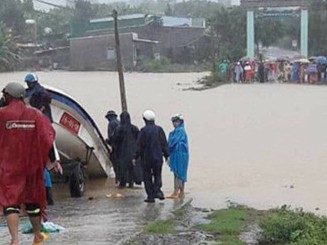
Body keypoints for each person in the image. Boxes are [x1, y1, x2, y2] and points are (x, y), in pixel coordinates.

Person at [0, 82, 55, 245]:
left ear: (7, 96)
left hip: (8, 165)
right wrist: (48, 159)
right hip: (32, 166)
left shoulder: (2, 114)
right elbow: (48, 137)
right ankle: (37, 235)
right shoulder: (36, 115)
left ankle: (15, 240)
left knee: (10, 202)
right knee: (33, 200)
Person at [24, 72, 61, 206]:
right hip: (41, 123)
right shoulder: (35, 91)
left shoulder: (39, 92)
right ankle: (48, 200)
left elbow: (46, 100)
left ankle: (46, 200)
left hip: (41, 121)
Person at [133, 110, 169, 203]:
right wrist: (167, 156)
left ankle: (150, 196)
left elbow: (139, 146)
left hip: (146, 158)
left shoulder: (143, 131)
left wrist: (135, 157)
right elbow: (164, 144)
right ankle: (157, 190)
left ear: (144, 120)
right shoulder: (159, 129)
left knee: (147, 177)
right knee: (158, 175)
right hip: (158, 157)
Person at [111, 112, 139, 188]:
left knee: (122, 169)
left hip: (121, 153)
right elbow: (139, 140)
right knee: (131, 169)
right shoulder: (135, 128)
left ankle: (122, 183)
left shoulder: (119, 129)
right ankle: (131, 183)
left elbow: (114, 140)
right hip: (133, 153)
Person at [167, 114, 189, 199]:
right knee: (177, 173)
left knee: (180, 173)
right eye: (173, 121)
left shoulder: (180, 131)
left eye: (176, 121)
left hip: (181, 154)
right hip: (176, 154)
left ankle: (178, 191)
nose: (174, 123)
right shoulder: (175, 132)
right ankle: (179, 192)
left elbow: (172, 143)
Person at [105, 110, 120, 183]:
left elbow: (111, 136)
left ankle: (117, 177)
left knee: (115, 163)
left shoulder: (111, 124)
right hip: (121, 147)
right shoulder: (119, 123)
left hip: (114, 147)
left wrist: (107, 141)